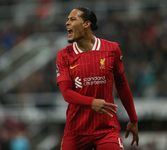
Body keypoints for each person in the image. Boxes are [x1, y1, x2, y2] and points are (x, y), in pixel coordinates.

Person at [56, 6, 139, 150]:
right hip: (76, 131)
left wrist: (133, 119)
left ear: (86, 24)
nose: (67, 23)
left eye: (72, 19)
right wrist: (92, 102)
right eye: (67, 20)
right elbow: (66, 93)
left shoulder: (112, 49)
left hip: (106, 129)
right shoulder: (64, 55)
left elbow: (122, 85)